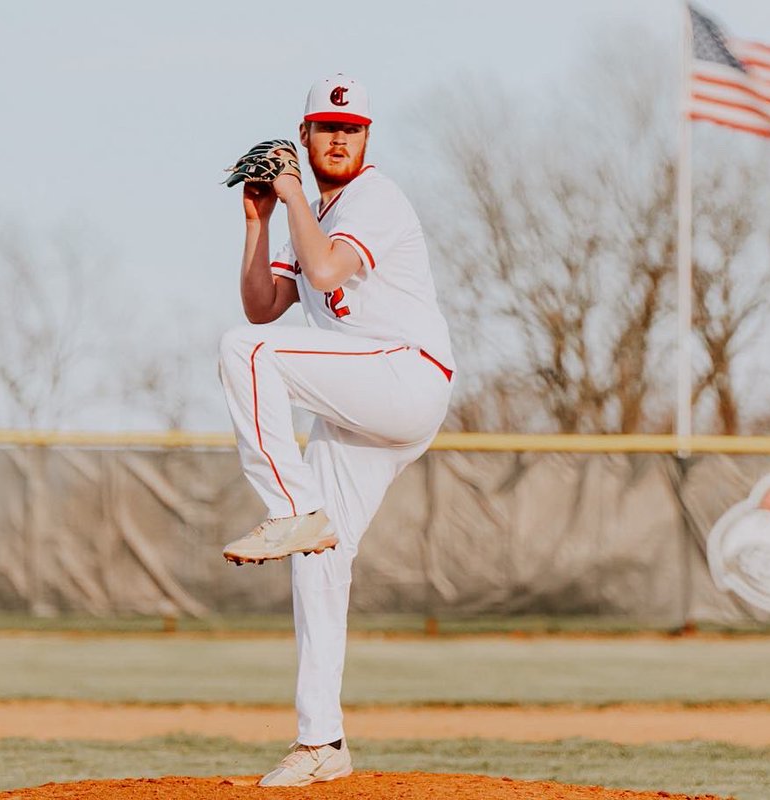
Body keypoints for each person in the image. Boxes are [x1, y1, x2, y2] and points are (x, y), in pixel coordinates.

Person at [217, 73, 455, 787]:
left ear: (366, 138)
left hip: (406, 376)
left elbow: (323, 269)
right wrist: (259, 221)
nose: (339, 138)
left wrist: (290, 194)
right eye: (326, 127)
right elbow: (266, 305)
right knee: (321, 558)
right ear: (307, 132)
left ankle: (289, 509)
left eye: (350, 129)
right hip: (363, 406)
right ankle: (322, 740)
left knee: (243, 353)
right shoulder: (310, 209)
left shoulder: (373, 198)